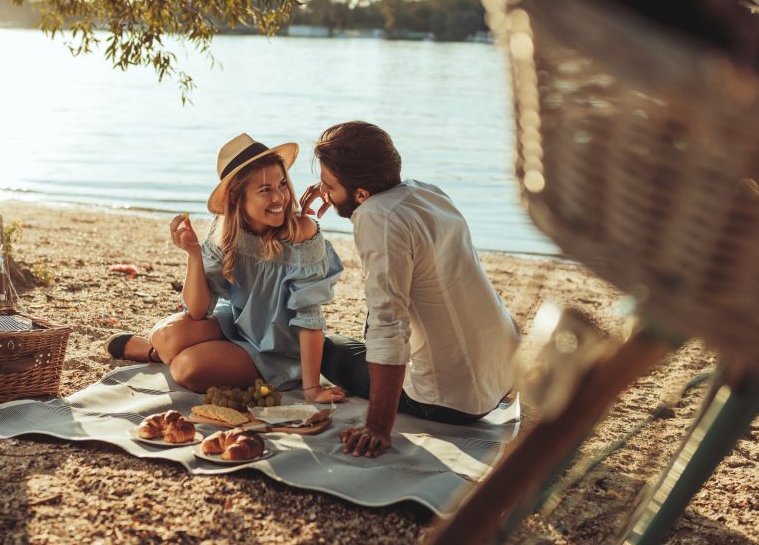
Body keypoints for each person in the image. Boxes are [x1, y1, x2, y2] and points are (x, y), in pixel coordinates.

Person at [299, 121, 521, 457]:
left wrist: (377, 426)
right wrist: (338, 190)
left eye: (329, 186)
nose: (323, 193)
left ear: (361, 193)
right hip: (503, 371)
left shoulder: (377, 218)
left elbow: (389, 327)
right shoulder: (425, 192)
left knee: (323, 349)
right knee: (364, 332)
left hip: (450, 400)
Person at [106, 133, 346, 404]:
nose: (280, 197)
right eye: (265, 190)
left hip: (278, 349)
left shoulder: (302, 233)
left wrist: (312, 389)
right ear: (236, 197)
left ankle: (163, 355)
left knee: (186, 368)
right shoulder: (225, 230)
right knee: (164, 336)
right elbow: (197, 310)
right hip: (236, 323)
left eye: (282, 185)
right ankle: (156, 351)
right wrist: (194, 255)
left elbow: (310, 316)